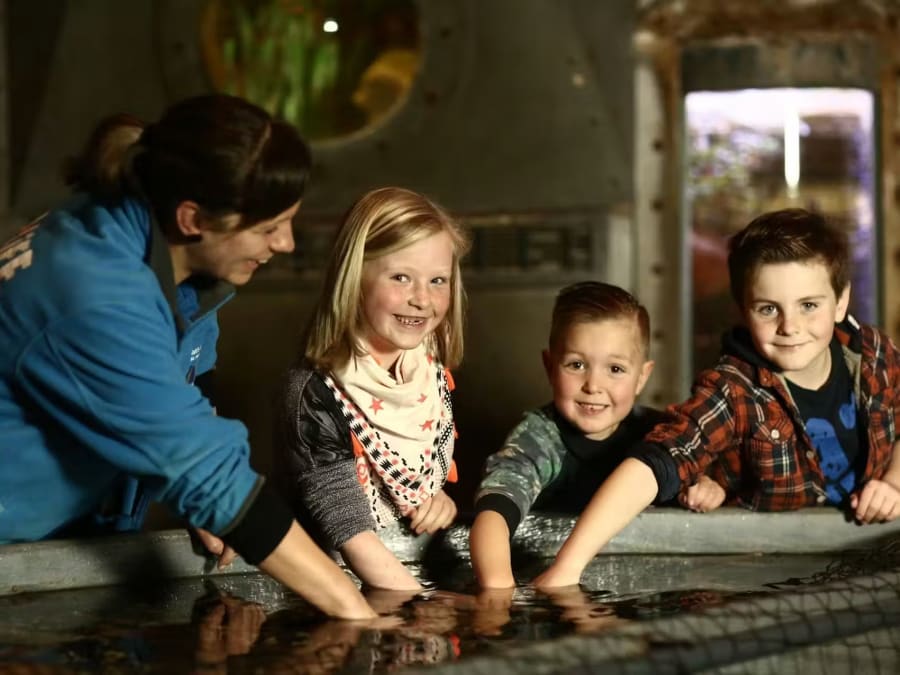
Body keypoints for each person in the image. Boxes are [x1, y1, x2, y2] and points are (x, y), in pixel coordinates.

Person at [0, 94, 376, 619]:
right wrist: (359, 614)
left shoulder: (170, 258)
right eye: (268, 227)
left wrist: (203, 499)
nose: (286, 243)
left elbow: (189, 390)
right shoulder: (97, 292)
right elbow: (209, 474)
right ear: (193, 218)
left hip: (75, 525)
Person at [534, 208, 900, 588]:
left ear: (841, 301)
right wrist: (567, 568)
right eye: (768, 309)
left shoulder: (875, 356)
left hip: (876, 558)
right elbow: (656, 462)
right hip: (775, 574)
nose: (789, 327)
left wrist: (893, 483)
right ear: (743, 309)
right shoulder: (732, 388)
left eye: (809, 305)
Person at [275, 186, 469, 591]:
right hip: (331, 584)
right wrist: (427, 610)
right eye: (401, 277)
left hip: (401, 567)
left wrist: (438, 502)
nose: (422, 299)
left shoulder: (427, 362)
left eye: (438, 280)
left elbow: (414, 479)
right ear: (354, 278)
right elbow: (352, 536)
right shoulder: (314, 390)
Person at [469, 281, 724, 588]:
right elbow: (493, 512)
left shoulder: (659, 434)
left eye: (615, 369)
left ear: (642, 377)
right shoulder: (539, 438)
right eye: (576, 365)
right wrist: (499, 591)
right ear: (550, 367)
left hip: (637, 582)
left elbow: (703, 475)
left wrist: (706, 487)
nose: (593, 385)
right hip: (543, 573)